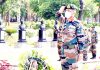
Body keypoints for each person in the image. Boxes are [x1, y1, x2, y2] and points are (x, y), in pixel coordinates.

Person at [56, 4, 85, 69]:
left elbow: (81, 40)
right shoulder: (64, 21)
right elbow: (58, 16)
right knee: (64, 68)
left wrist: (81, 54)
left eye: (69, 10)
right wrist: (61, 11)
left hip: (73, 53)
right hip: (63, 52)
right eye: (66, 10)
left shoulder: (77, 24)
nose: (67, 12)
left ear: (74, 12)